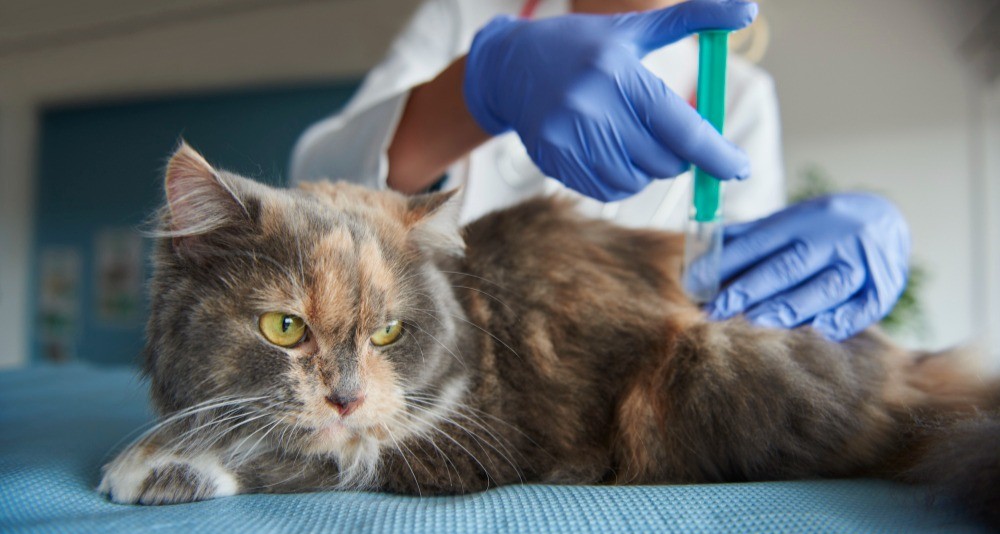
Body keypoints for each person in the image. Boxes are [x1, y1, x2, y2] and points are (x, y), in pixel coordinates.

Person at [291, 0, 910, 341]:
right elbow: (317, 180)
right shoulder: (471, 13)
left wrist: (831, 269)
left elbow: (746, 307)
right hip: (438, 375)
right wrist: (481, 85)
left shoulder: (741, 97)